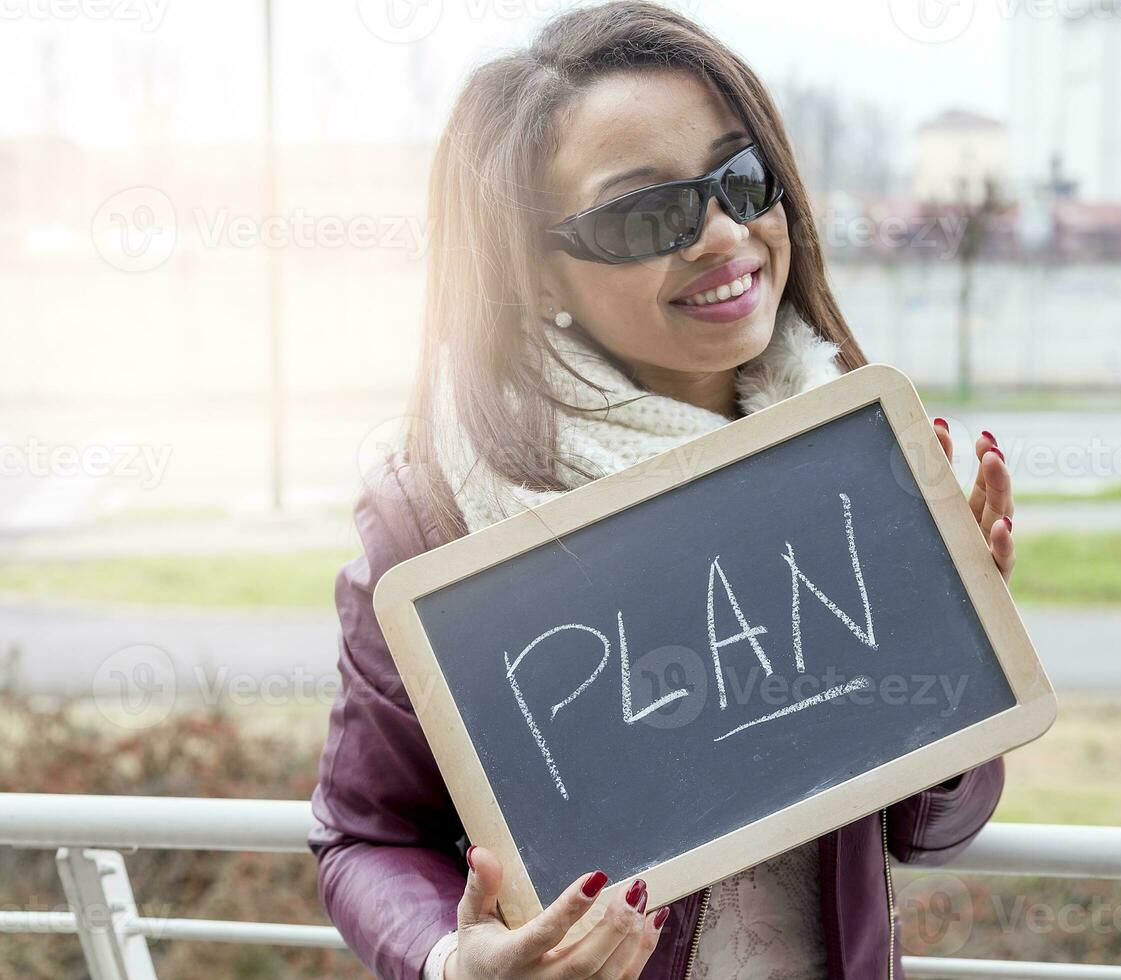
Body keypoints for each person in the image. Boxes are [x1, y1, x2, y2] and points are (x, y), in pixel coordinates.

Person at [309, 3, 1016, 978]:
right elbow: (365, 834)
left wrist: (955, 639)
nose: (725, 233)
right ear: (530, 266)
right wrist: (455, 960)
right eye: (648, 213)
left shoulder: (855, 463)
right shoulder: (435, 513)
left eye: (742, 178)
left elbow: (933, 829)